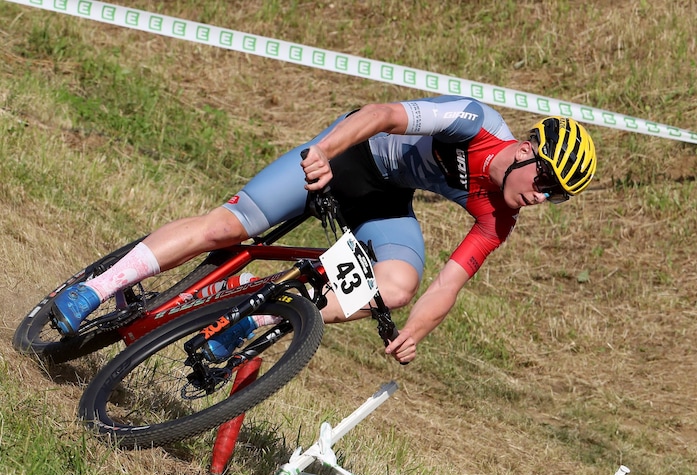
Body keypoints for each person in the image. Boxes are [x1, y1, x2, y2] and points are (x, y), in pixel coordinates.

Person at [52, 95, 597, 364]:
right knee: (225, 228)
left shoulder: (500, 216)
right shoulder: (474, 123)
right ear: (527, 150)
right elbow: (384, 114)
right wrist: (324, 153)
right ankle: (92, 291)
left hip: (386, 200)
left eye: (557, 196)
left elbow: (449, 282)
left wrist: (416, 334)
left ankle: (260, 318)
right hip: (349, 153)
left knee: (399, 285)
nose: (542, 196)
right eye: (546, 179)